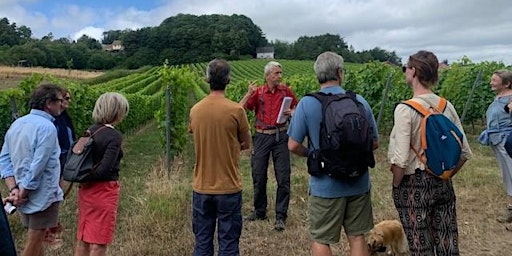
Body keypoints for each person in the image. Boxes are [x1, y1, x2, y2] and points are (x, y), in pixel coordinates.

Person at [288, 51, 379, 256]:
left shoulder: (307, 103)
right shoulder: (359, 101)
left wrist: (312, 153)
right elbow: (374, 143)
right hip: (359, 181)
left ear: (317, 75)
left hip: (325, 185)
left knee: (321, 238)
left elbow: (292, 145)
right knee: (357, 236)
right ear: (339, 73)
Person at [388, 50, 472, 255]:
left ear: (414, 71)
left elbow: (400, 159)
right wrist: (446, 175)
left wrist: (397, 185)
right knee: (447, 242)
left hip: (413, 185)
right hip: (443, 181)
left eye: (405, 68)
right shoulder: (446, 106)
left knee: (419, 244)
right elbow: (464, 152)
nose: (405, 71)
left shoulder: (404, 110)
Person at [189, 59, 251, 255]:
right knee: (229, 244)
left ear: (207, 79)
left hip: (201, 186)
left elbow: (195, 134)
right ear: (228, 80)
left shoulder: (195, 110)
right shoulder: (236, 110)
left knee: (202, 242)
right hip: (229, 186)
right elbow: (247, 143)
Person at [0, 83, 65, 256]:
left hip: (22, 193)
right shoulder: (47, 128)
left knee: (38, 241)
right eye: (60, 100)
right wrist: (24, 192)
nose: (62, 104)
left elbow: (4, 159)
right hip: (42, 195)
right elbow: (38, 166)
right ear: (48, 103)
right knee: (33, 242)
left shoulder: (17, 124)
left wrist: (14, 189)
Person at [239, 61, 298, 231]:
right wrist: (248, 93)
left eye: (280, 73)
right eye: (276, 73)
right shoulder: (258, 93)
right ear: (268, 76)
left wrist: (293, 112)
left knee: (283, 176)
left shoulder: (286, 91)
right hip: (262, 136)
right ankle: (259, 211)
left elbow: (298, 107)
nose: (280, 76)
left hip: (281, 136)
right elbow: (239, 109)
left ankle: (281, 216)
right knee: (258, 175)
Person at [73, 92, 129, 256]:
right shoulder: (114, 136)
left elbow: (77, 157)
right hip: (104, 191)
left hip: (85, 190)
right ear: (117, 112)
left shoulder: (89, 131)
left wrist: (84, 177)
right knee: (99, 241)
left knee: (83, 237)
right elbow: (105, 168)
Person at [478, 69, 512, 223]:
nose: (491, 82)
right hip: (498, 140)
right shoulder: (499, 97)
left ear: (506, 84)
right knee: (508, 176)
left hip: (507, 141)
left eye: (494, 80)